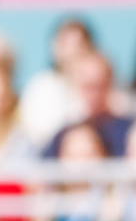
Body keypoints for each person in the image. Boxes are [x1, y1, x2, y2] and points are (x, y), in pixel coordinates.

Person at [18, 20, 93, 150]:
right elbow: (36, 134)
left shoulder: (101, 85)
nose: (72, 52)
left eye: (78, 45)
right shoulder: (40, 87)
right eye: (66, 45)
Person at [44, 53, 132, 158]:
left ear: (110, 83)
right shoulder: (63, 135)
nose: (94, 94)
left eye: (100, 85)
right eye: (88, 86)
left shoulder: (128, 132)